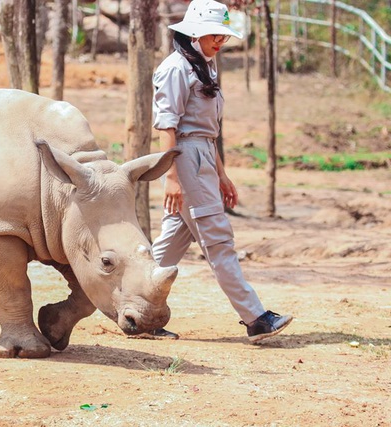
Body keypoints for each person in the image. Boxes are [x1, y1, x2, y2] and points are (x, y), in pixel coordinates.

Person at [149, 0, 292, 343]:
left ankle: (134, 311)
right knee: (218, 239)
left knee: (168, 247)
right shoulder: (175, 68)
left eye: (223, 37)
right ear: (196, 33)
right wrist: (170, 175)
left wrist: (222, 174)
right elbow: (167, 125)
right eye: (215, 36)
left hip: (202, 157)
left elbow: (207, 132)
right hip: (184, 158)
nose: (220, 42)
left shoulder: (203, 65)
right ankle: (255, 318)